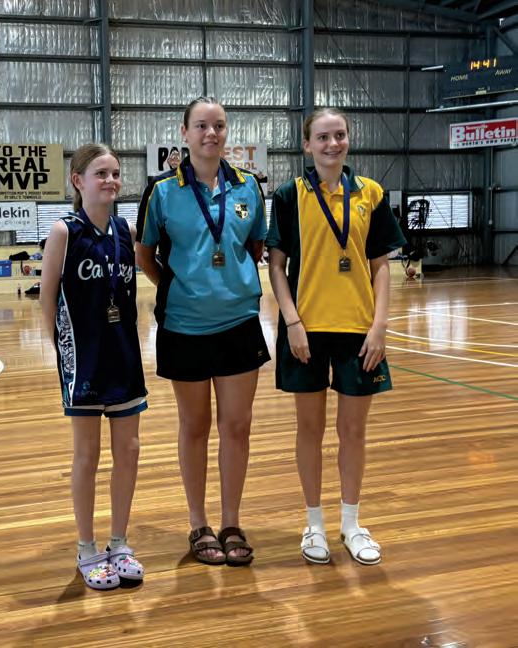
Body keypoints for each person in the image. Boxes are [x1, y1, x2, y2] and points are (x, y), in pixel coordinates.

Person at [266, 107, 406, 566]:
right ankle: (314, 524)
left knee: (353, 431)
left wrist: (379, 326)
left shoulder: (370, 193)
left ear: (348, 139)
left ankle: (351, 524)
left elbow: (380, 266)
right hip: (305, 331)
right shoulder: (289, 195)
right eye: (323, 137)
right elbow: (277, 266)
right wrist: (292, 322)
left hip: (358, 331)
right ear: (307, 144)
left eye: (339, 135)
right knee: (310, 430)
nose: (332, 144)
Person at [136, 96, 270, 567]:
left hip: (239, 323)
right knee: (194, 426)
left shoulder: (248, 186)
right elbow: (145, 254)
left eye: (219, 125)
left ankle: (231, 522)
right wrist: (178, 288)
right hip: (184, 326)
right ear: (184, 132)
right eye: (201, 126)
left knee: (237, 426)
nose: (211, 133)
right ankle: (199, 523)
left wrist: (227, 283)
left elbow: (255, 247)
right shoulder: (161, 191)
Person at [40, 143, 147, 591]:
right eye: (101, 173)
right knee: (87, 455)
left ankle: (118, 542)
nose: (110, 180)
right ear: (78, 180)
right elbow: (47, 298)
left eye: (115, 173)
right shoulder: (63, 232)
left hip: (123, 351)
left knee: (130, 450)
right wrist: (61, 351)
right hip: (83, 358)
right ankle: (86, 548)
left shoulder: (125, 229)